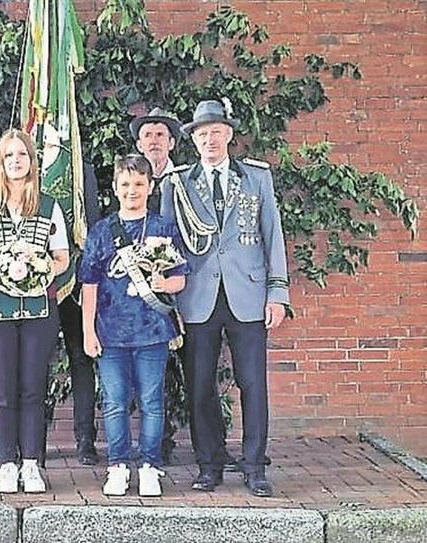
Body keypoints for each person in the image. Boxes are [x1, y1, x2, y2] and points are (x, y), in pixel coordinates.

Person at [161, 99, 289, 498]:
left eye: (216, 131)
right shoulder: (176, 184)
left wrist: (278, 293)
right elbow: (167, 244)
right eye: (202, 134)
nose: (210, 139)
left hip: (248, 295)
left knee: (253, 384)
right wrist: (171, 303)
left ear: (229, 135)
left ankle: (254, 466)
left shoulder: (256, 178)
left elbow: (273, 236)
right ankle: (209, 464)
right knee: (200, 387)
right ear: (193, 140)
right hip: (197, 296)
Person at [0, 129, 70, 493]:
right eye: (8, 156)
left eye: (21, 155)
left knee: (32, 388)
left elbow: (62, 258)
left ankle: (31, 463)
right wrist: (0, 277)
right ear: (1, 162)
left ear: (31, 161)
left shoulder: (48, 204)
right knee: (3, 389)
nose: (15, 161)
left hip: (40, 310)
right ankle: (6, 463)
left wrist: (39, 268)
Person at [80, 155, 188, 497]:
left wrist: (162, 285)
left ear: (150, 187)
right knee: (114, 400)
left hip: (152, 329)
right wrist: (87, 331)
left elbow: (181, 280)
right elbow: (89, 284)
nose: (132, 191)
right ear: (114, 188)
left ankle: (150, 466)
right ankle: (118, 465)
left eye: (139, 184)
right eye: (125, 185)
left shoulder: (163, 228)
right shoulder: (101, 232)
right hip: (110, 331)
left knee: (152, 400)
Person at [57, 164, 102, 466]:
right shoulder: (22, 161)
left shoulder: (79, 167)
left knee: (81, 357)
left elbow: (93, 220)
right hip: (35, 279)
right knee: (29, 361)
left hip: (76, 274)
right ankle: (25, 443)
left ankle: (85, 438)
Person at [129, 107, 184, 212]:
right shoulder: (129, 182)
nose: (154, 141)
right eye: (147, 135)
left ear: (171, 143)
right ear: (139, 145)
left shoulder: (185, 180)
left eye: (160, 135)